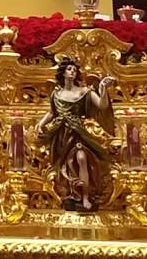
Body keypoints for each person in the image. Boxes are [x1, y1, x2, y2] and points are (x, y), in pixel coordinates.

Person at [37, 60, 116, 211]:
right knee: (67, 166)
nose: (72, 71)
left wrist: (103, 88)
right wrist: (41, 124)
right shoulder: (56, 94)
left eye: (74, 69)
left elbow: (102, 105)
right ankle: (73, 194)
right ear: (63, 73)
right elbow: (52, 112)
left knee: (81, 158)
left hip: (78, 133)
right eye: (69, 69)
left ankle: (86, 196)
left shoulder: (84, 92)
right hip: (62, 135)